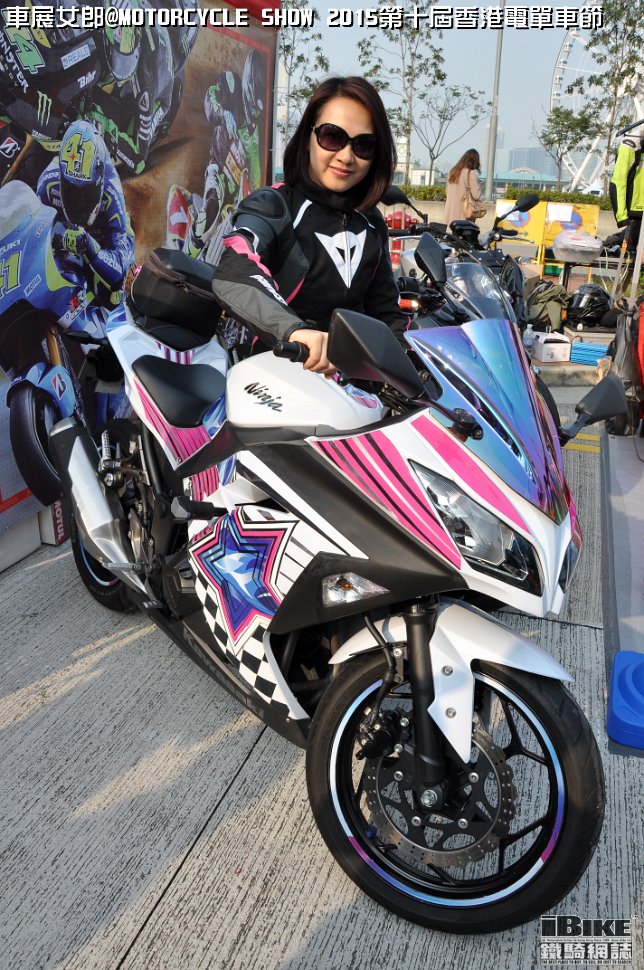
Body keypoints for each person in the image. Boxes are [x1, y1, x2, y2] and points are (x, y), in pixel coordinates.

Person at [212, 76, 408, 374]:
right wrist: (295, 330)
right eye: (332, 137)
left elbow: (386, 314)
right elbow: (234, 271)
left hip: (353, 390)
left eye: (364, 145)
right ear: (308, 137)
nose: (346, 156)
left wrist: (414, 363)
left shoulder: (370, 221)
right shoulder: (273, 204)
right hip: (272, 378)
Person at [36, 119, 134, 309]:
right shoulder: (48, 182)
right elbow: (34, 232)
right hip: (64, 236)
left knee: (115, 296)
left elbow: (119, 268)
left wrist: (89, 246)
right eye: (71, 189)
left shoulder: (112, 193)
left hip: (101, 239)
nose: (79, 202)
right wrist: (57, 237)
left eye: (86, 192)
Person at [609, 121, 643, 253]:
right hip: (636, 214)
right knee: (633, 255)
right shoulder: (631, 146)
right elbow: (618, 183)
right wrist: (622, 217)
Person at [443, 149, 483, 226]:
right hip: (463, 214)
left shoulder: (452, 172)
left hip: (450, 213)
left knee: (453, 233)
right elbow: (476, 195)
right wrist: (479, 186)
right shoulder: (469, 173)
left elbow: (447, 192)